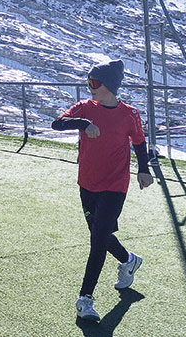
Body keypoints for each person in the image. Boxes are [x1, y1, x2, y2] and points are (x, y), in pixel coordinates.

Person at [51, 59, 154, 322]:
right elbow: (57, 123)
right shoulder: (85, 108)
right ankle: (128, 260)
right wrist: (83, 123)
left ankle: (84, 299)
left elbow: (140, 144)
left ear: (109, 85)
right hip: (87, 183)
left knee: (97, 239)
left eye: (94, 83)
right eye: (88, 82)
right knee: (100, 234)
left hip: (115, 185)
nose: (90, 87)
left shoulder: (129, 114)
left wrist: (144, 169)